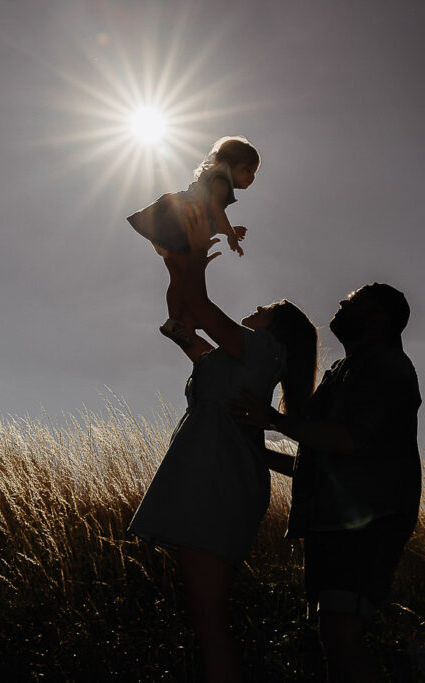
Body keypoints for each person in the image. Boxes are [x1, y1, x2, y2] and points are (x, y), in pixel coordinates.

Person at [128, 204, 317, 683]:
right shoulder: (235, 356)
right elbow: (181, 323)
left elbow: (199, 308)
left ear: (278, 329)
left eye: (266, 309)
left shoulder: (259, 350)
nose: (256, 309)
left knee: (210, 619)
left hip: (218, 480)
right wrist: (178, 265)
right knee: (205, 615)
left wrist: (191, 256)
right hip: (210, 475)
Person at [233, 282, 422, 683]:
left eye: (353, 302)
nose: (340, 302)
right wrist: (256, 452)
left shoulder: (387, 366)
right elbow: (318, 459)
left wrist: (274, 421)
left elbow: (351, 441)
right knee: (334, 638)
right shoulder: (344, 371)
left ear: (378, 320)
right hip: (335, 523)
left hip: (367, 522)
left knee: (340, 635)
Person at [126, 136, 260, 346]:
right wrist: (231, 236)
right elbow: (214, 210)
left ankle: (177, 319)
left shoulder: (214, 179)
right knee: (183, 276)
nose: (252, 177)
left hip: (170, 222)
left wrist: (228, 229)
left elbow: (207, 214)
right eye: (248, 170)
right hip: (176, 226)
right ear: (229, 165)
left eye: (254, 173)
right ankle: (179, 319)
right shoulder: (221, 182)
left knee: (178, 277)